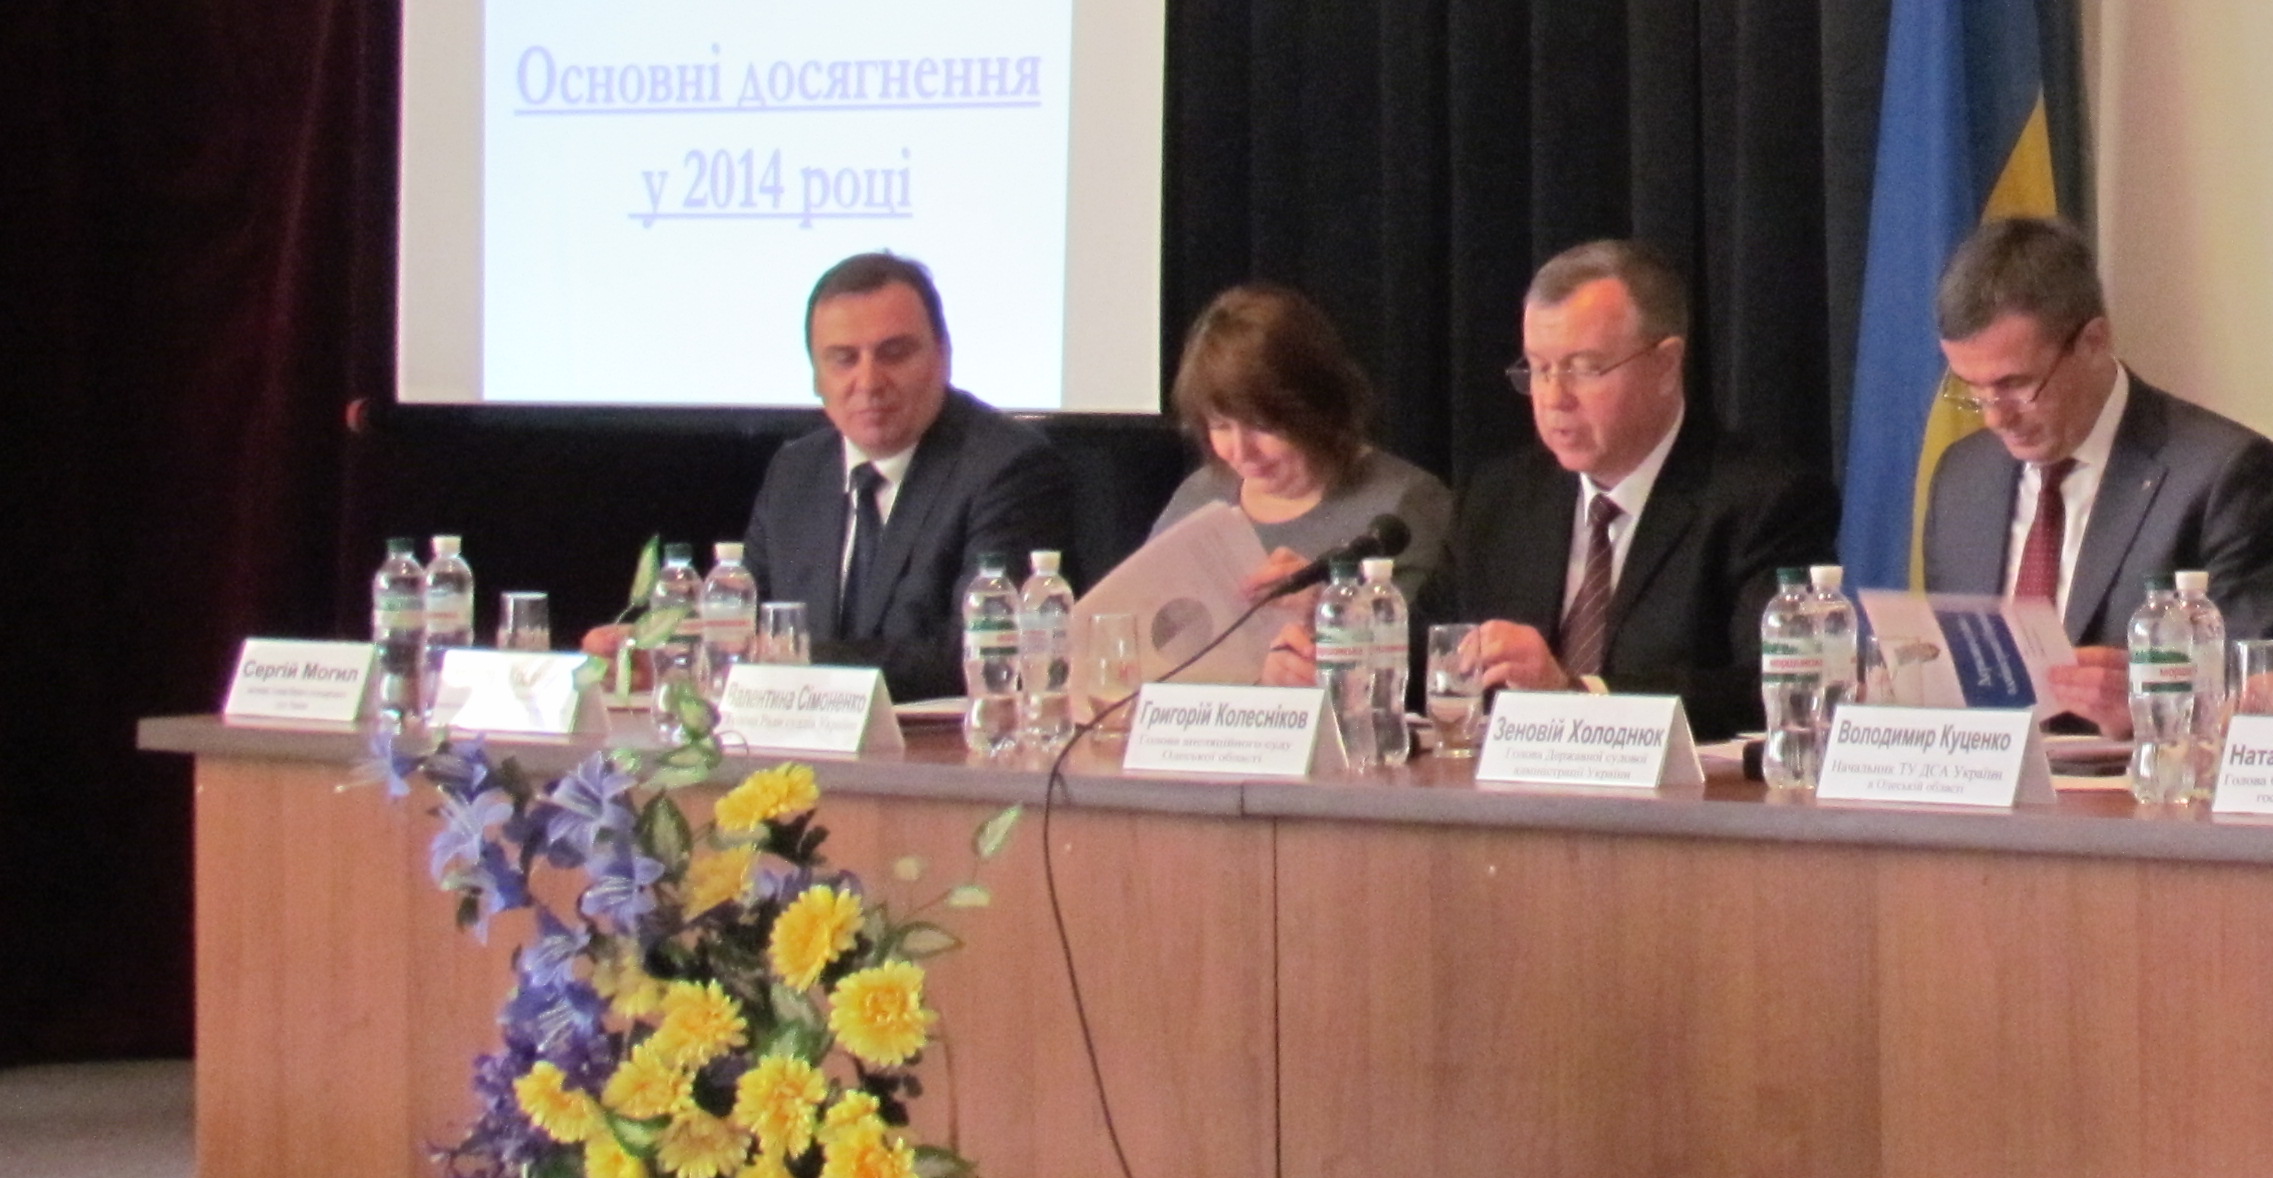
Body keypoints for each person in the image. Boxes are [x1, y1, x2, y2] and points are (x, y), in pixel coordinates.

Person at [1919, 215, 2273, 720]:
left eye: (2016, 386)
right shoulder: (1963, 476)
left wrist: (2154, 705)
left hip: (2143, 766)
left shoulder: (2225, 475)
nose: (1996, 417)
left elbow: (2270, 693)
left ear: (2094, 341)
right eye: (1972, 389)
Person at [1432, 239, 1834, 740]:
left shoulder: (1765, 502)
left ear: (1665, 365)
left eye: (1584, 368)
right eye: (1538, 368)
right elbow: (1424, 653)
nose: (1554, 398)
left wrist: (1575, 696)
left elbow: (1773, 687)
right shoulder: (1499, 499)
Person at [733, 251, 1075, 706]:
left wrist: (795, 660)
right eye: (843, 359)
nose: (869, 382)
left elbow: (976, 656)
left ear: (943, 357)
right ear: (816, 377)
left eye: (893, 354)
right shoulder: (796, 472)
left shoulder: (1007, 467)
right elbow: (739, 633)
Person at [1136, 285, 1451, 666]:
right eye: (1220, 426)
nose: (1241, 451)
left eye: (1262, 426)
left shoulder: (1403, 503)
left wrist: (1326, 612)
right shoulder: (1200, 495)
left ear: (1316, 407)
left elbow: (1422, 657)